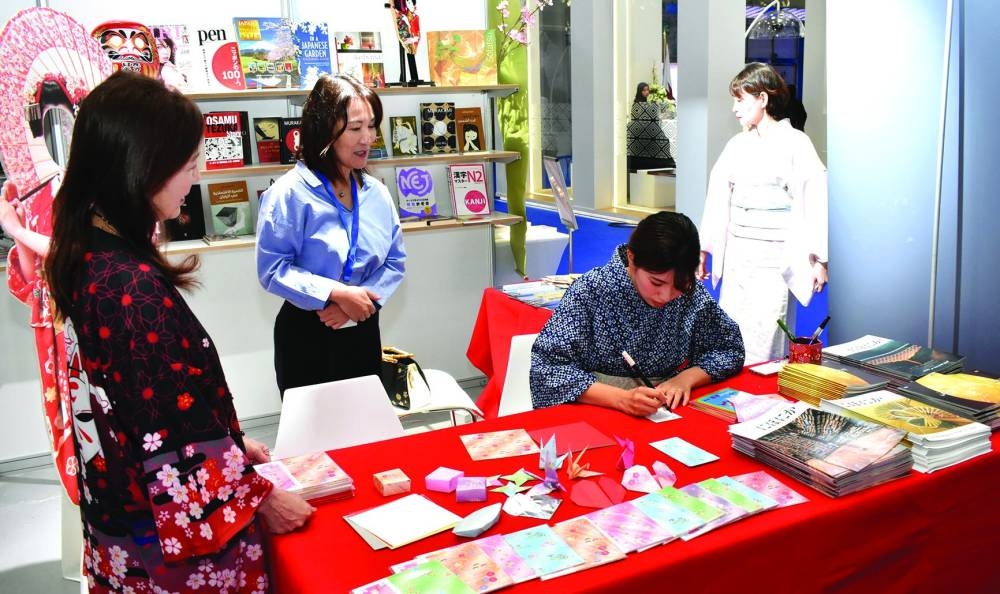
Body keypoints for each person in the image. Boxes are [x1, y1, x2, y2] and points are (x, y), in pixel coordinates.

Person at [44, 71, 314, 594]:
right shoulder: (131, 289)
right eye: (189, 166)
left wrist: (234, 450)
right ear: (141, 169)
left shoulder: (89, 257)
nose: (195, 180)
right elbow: (170, 439)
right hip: (169, 549)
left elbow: (149, 406)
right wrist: (257, 496)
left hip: (122, 526)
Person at [257, 74, 406, 396]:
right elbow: (272, 270)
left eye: (372, 125)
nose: (368, 138)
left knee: (366, 433)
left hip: (363, 327)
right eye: (355, 128)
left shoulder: (376, 193)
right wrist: (336, 294)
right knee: (314, 439)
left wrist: (357, 303)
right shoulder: (288, 194)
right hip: (307, 333)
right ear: (324, 130)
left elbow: (394, 261)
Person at [530, 212, 745, 417]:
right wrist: (621, 399)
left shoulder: (690, 294)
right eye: (657, 282)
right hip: (597, 408)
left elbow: (729, 348)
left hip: (664, 406)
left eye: (680, 285)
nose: (666, 296)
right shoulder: (591, 290)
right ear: (631, 258)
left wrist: (686, 378)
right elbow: (546, 369)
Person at [698, 62, 828, 364]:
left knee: (769, 328)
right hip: (738, 251)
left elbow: (815, 198)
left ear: (763, 99)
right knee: (732, 324)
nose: (734, 108)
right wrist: (704, 249)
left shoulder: (796, 143)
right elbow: (718, 197)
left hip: (774, 253)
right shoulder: (737, 145)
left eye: (740, 99)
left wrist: (819, 259)